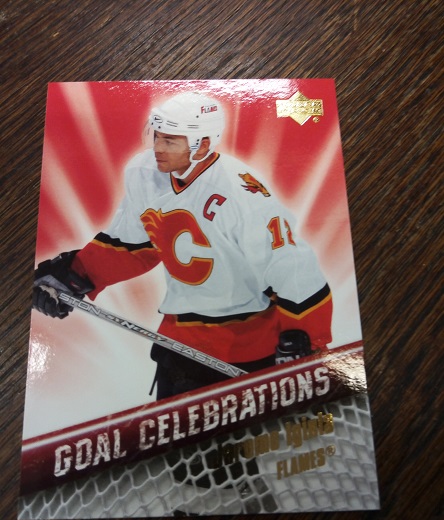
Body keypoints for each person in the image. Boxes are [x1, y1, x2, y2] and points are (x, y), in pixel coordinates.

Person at [33, 91, 333, 400]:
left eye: (170, 141)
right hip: (181, 342)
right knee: (175, 431)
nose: (157, 148)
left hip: (250, 346)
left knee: (260, 431)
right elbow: (133, 244)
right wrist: (73, 276)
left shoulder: (241, 192)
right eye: (156, 137)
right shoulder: (144, 174)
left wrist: (305, 340)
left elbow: (290, 265)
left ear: (202, 145)